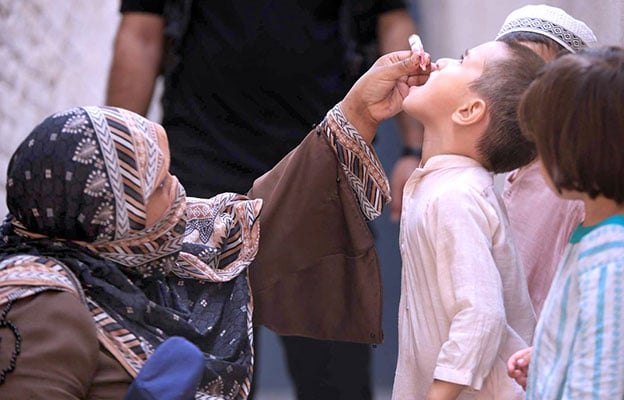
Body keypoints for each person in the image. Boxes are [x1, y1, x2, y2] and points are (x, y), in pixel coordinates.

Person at [0, 50, 430, 399]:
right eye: (160, 185)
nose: (180, 190)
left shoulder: (147, 249)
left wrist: (359, 111)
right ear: (111, 215)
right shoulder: (40, 310)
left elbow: (261, 222)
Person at [105, 1, 421, 398]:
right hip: (204, 170)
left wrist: (414, 148)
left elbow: (390, 19)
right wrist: (119, 172)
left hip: (321, 166)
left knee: (336, 381)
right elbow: (141, 33)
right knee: (203, 379)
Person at [507, 46, 624, 399]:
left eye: (544, 145)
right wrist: (551, 361)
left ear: (580, 149)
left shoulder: (615, 259)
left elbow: (600, 391)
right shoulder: (608, 233)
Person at [391, 40, 544, 400]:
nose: (441, 62)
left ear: (469, 110)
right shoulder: (445, 185)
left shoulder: (456, 197)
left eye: (463, 60)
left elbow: (481, 315)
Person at [495, 4, 597, 316]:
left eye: (533, 76)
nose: (518, 90)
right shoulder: (518, 167)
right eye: (507, 71)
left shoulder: (570, 188)